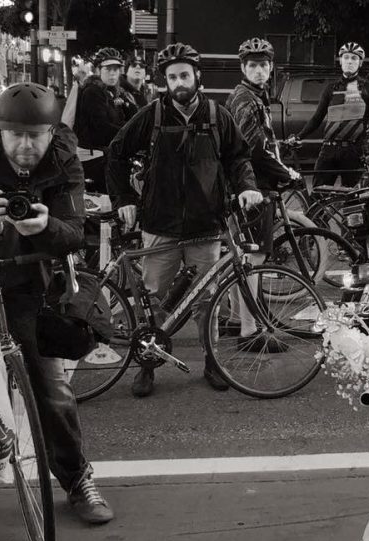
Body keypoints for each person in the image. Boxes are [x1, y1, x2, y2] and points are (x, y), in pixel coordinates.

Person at [0, 82, 114, 523]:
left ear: (50, 133)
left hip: (32, 285)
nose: (25, 145)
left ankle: (77, 479)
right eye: (15, 134)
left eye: (35, 135)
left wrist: (46, 226)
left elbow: (76, 232)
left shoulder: (62, 159)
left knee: (52, 390)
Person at [107, 42, 262, 398]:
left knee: (207, 300)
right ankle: (147, 363)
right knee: (152, 297)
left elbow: (238, 157)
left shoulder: (217, 114)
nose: (178, 82)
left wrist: (247, 187)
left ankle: (212, 361)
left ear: (197, 77)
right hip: (159, 223)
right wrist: (125, 200)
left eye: (184, 75)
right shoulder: (152, 114)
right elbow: (116, 153)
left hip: (205, 225)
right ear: (165, 81)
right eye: (172, 76)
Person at [225, 37, 301, 354]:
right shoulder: (246, 99)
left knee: (241, 257)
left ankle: (234, 319)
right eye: (253, 65)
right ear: (244, 68)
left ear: (271, 68)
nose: (259, 70)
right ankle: (250, 331)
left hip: (246, 187)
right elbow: (254, 148)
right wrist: (286, 174)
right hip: (252, 189)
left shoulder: (255, 96)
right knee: (253, 260)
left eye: (264, 64)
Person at [291, 42, 369, 187]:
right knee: (319, 196)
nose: (349, 61)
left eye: (354, 58)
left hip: (355, 151)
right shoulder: (331, 88)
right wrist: (298, 137)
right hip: (329, 149)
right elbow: (317, 118)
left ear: (360, 63)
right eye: (346, 57)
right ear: (340, 61)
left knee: (353, 199)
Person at [73, 47, 138, 192]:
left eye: (116, 69)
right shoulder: (92, 92)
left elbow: (133, 117)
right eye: (108, 69)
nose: (113, 73)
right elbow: (101, 128)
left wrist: (126, 102)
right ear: (97, 70)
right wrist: (129, 135)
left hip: (106, 155)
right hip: (94, 160)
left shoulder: (112, 93)